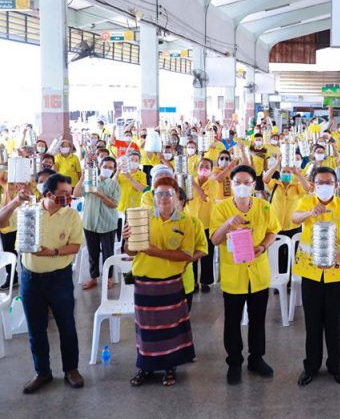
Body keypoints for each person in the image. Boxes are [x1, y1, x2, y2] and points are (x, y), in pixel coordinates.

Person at [0, 174, 85, 393]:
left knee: (67, 326)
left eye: (69, 192)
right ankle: (42, 372)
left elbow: (75, 246)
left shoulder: (71, 215)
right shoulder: (28, 211)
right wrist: (15, 201)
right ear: (48, 194)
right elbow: (1, 222)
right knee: (36, 328)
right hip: (31, 279)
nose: (68, 197)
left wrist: (52, 252)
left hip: (59, 278)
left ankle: (71, 369)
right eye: (63, 193)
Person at [123, 177, 196, 388]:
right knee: (146, 329)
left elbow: (186, 255)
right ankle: (145, 367)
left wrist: (157, 252)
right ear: (153, 197)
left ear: (177, 197)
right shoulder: (142, 218)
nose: (164, 197)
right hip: (145, 283)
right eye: (159, 193)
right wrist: (126, 239)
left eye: (169, 193)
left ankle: (170, 367)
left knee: (171, 329)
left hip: (171, 283)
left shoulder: (186, 222)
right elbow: (130, 251)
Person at [210, 165, 281, 385]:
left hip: (258, 273)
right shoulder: (221, 208)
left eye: (246, 182)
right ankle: (234, 362)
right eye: (237, 182)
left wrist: (263, 246)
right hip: (234, 275)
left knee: (258, 319)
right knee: (232, 321)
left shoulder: (263, 206)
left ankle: (256, 358)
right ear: (231, 184)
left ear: (253, 184)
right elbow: (215, 240)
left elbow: (273, 230)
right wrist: (228, 223)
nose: (242, 186)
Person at [291, 167, 340, 387]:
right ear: (314, 184)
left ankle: (335, 365)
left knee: (334, 323)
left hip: (337, 273)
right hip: (310, 272)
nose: (324, 186)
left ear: (336, 185)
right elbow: (294, 218)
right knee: (312, 323)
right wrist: (310, 213)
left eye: (329, 182)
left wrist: (332, 259)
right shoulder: (307, 201)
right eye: (320, 182)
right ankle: (311, 366)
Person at [73, 156, 121, 291]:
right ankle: (93, 278)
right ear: (99, 167)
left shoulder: (114, 185)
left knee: (108, 253)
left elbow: (114, 205)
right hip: (90, 222)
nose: (107, 169)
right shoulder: (90, 181)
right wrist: (82, 178)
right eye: (105, 166)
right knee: (92, 253)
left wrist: (100, 195)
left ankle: (109, 278)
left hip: (107, 224)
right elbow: (76, 194)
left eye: (110, 167)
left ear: (114, 170)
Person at [262, 159, 310, 273]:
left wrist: (298, 174)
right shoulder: (275, 185)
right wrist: (276, 164)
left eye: (289, 172)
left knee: (293, 255)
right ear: (280, 172)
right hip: (276, 227)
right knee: (279, 255)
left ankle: (292, 277)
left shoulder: (296, 186)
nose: (286, 173)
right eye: (284, 171)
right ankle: (282, 277)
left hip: (293, 226)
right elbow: (265, 179)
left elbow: (307, 188)